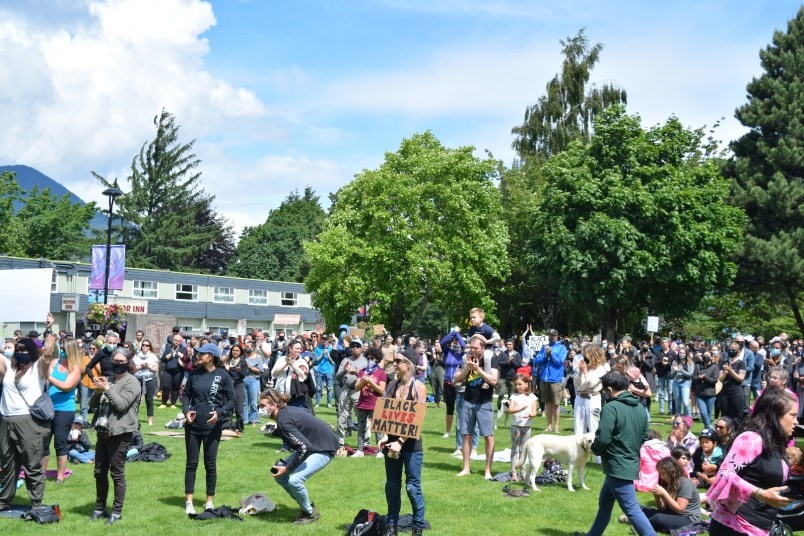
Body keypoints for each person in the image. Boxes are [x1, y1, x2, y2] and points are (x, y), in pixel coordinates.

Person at [573, 371, 656, 536]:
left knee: (632, 509)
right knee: (605, 502)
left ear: (609, 390)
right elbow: (644, 436)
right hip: (628, 462)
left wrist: (595, 449)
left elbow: (603, 438)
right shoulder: (640, 407)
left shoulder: (610, 407)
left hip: (618, 465)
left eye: (604, 391)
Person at [707, 388, 797, 535]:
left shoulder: (776, 444)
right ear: (775, 415)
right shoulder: (751, 439)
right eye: (792, 415)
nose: (796, 421)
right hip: (734, 526)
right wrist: (760, 494)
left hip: (758, 528)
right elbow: (725, 473)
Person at [259, 388, 339, 525]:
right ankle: (305, 504)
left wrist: (288, 468)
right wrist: (275, 431)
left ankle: (309, 513)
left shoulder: (284, 419)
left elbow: (304, 447)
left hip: (324, 448)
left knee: (294, 480)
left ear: (274, 405)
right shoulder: (284, 414)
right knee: (277, 472)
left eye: (262, 406)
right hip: (313, 445)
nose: (259, 409)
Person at [0, 332, 56, 511]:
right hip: (6, 420)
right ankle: (4, 500)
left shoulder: (38, 368)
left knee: (32, 464)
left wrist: (49, 336)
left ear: (32, 351)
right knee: (8, 464)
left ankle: (36, 504)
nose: (21, 352)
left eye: (25, 349)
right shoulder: (9, 368)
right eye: (19, 349)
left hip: (29, 422)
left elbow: (47, 354)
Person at [377, 348, 428, 536]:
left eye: (399, 361)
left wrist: (400, 440)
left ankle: (418, 527)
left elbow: (417, 419)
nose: (395, 364)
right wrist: (384, 435)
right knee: (392, 484)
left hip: (411, 445)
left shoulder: (418, 387)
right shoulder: (391, 385)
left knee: (412, 487)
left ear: (409, 364)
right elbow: (385, 412)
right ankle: (392, 526)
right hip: (391, 443)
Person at [182, 342, 235, 515]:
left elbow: (231, 400)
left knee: (210, 465)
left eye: (202, 353)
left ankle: (209, 502)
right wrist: (186, 411)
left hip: (213, 427)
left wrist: (219, 413)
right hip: (193, 426)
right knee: (191, 464)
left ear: (211, 356)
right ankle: (189, 502)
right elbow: (186, 395)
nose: (198, 355)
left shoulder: (223, 375)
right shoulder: (194, 374)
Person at [89, 348, 140, 525]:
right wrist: (97, 391)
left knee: (116, 473)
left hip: (120, 433)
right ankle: (99, 508)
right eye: (115, 361)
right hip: (103, 432)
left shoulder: (132, 382)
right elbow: (92, 405)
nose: (117, 364)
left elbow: (121, 405)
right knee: (99, 472)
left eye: (121, 361)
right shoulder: (109, 379)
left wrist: (108, 389)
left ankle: (116, 512)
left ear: (128, 362)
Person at [454, 334, 498, 480]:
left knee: (488, 437)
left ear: (483, 348)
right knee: (466, 435)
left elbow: (493, 380)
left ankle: (488, 471)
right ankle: (466, 468)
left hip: (484, 402)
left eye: (475, 348)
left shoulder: (490, 358)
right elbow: (455, 379)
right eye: (471, 347)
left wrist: (478, 370)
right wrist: (467, 369)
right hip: (467, 400)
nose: (472, 350)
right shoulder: (467, 358)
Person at [42, 337, 82, 483]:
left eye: (65, 349)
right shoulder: (55, 362)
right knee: (43, 443)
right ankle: (41, 474)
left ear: (71, 351)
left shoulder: (75, 368)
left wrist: (49, 377)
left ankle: (60, 476)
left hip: (64, 410)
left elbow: (66, 386)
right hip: (47, 408)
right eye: (61, 348)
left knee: (60, 443)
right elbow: (45, 379)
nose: (63, 352)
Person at [636, 456, 701, 531]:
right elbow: (662, 510)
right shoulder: (666, 482)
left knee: (657, 518)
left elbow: (680, 510)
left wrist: (664, 493)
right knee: (639, 508)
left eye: (663, 473)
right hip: (672, 514)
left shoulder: (685, 483)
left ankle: (640, 525)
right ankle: (642, 520)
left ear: (672, 471)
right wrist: (657, 497)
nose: (662, 477)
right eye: (660, 474)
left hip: (688, 519)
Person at [354, 347, 387, 457]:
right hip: (362, 403)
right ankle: (360, 450)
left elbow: (382, 390)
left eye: (372, 358)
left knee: (378, 428)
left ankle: (380, 451)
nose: (370, 360)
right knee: (361, 427)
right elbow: (356, 387)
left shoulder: (381, 373)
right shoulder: (362, 371)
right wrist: (363, 380)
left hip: (375, 403)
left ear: (377, 359)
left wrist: (371, 383)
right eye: (368, 358)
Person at [532, 328, 567, 433]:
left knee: (556, 404)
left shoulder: (562, 348)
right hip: (544, 378)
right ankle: (549, 426)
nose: (550, 337)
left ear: (556, 336)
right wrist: (546, 355)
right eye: (549, 335)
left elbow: (559, 362)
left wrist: (551, 354)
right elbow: (537, 361)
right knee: (547, 403)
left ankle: (556, 426)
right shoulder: (544, 347)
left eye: (552, 335)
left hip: (555, 379)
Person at [506, 373, 537, 481]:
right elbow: (510, 410)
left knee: (523, 450)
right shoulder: (514, 396)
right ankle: (514, 472)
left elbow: (534, 411)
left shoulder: (532, 397)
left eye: (520, 384)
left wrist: (531, 414)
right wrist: (519, 409)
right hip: (516, 426)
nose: (517, 386)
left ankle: (523, 473)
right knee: (515, 449)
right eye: (515, 384)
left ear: (527, 384)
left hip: (527, 426)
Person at [573, 343, 607, 437]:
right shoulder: (583, 366)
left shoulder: (601, 369)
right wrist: (580, 372)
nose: (583, 357)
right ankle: (579, 446)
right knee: (578, 424)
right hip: (580, 397)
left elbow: (591, 383)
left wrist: (585, 372)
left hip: (593, 398)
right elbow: (576, 384)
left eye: (585, 355)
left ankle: (595, 446)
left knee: (593, 424)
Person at [439, 329, 465, 439]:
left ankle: (461, 430)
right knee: (449, 408)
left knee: (461, 409)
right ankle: (448, 431)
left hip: (459, 383)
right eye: (454, 341)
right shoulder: (448, 352)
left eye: (457, 341)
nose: (455, 343)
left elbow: (464, 345)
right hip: (447, 382)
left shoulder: (462, 353)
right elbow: (442, 342)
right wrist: (453, 333)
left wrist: (458, 335)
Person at [718, 340, 747, 423]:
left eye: (734, 349)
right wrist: (726, 373)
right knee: (725, 416)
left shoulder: (741, 363)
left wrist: (731, 371)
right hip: (724, 392)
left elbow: (741, 378)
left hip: (736, 392)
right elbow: (720, 379)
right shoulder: (723, 362)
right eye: (730, 349)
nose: (731, 351)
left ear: (738, 351)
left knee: (737, 416)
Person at [132, 339, 159, 425]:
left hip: (149, 379)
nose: (144, 346)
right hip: (138, 379)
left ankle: (150, 419)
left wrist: (148, 367)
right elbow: (133, 369)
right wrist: (141, 366)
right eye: (143, 345)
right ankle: (133, 418)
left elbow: (155, 369)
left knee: (149, 399)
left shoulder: (153, 356)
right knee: (136, 399)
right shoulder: (136, 356)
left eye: (147, 345)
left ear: (149, 347)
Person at [223, 343, 248, 432]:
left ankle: (239, 427)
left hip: (238, 385)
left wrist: (239, 371)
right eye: (233, 350)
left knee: (239, 408)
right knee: (228, 407)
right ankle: (227, 426)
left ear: (240, 352)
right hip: (228, 386)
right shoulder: (227, 361)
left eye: (237, 350)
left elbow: (244, 375)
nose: (235, 352)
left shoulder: (243, 362)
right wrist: (226, 369)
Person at [693, 350, 720, 429]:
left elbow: (714, 380)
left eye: (707, 355)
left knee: (708, 412)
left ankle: (706, 430)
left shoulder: (715, 367)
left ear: (711, 357)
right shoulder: (698, 366)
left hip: (710, 394)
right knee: (703, 412)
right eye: (704, 355)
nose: (705, 357)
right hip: (699, 394)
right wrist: (699, 378)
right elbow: (693, 378)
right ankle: (709, 428)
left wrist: (705, 377)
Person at [160, 334, 185, 408]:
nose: (176, 342)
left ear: (181, 342)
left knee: (176, 387)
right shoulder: (168, 347)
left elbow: (185, 359)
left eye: (178, 341)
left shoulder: (183, 349)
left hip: (178, 371)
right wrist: (171, 354)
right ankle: (163, 403)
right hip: (167, 370)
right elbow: (163, 359)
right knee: (165, 386)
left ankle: (173, 404)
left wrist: (178, 353)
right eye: (175, 340)